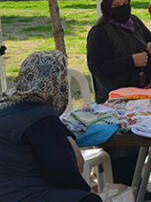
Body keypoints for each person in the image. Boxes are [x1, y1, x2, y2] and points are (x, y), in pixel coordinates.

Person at [87, 0, 151, 197]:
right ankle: (125, 193)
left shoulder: (134, 22)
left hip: (140, 95)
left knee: (139, 146)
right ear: (107, 6)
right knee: (123, 150)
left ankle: (137, 188)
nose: (122, 8)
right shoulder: (100, 33)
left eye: (125, 3)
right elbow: (97, 67)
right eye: (116, 4)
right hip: (114, 101)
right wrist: (131, 62)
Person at [0, 51, 100, 202]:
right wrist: (86, 191)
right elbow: (62, 171)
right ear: (57, 81)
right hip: (22, 193)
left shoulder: (8, 104)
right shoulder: (40, 116)